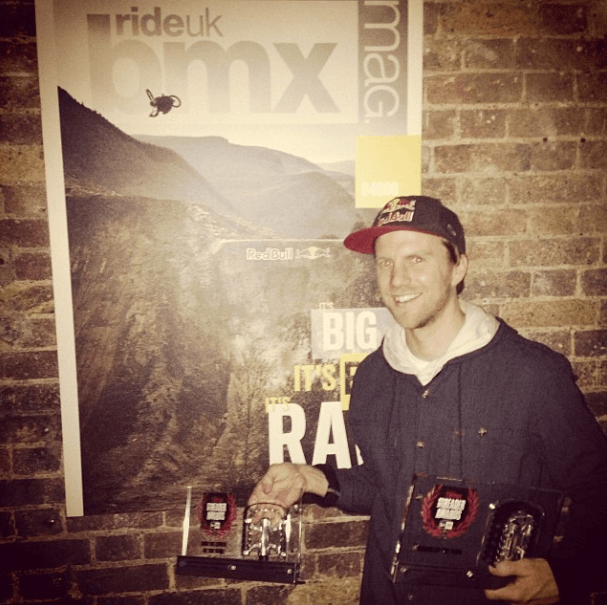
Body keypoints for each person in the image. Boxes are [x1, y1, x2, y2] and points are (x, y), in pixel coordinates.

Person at [249, 196, 607, 605]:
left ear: (458, 268)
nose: (397, 280)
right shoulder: (373, 376)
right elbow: (389, 485)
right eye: (385, 262)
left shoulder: (533, 373)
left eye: (416, 259)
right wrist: (309, 479)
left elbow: (599, 484)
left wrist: (569, 573)